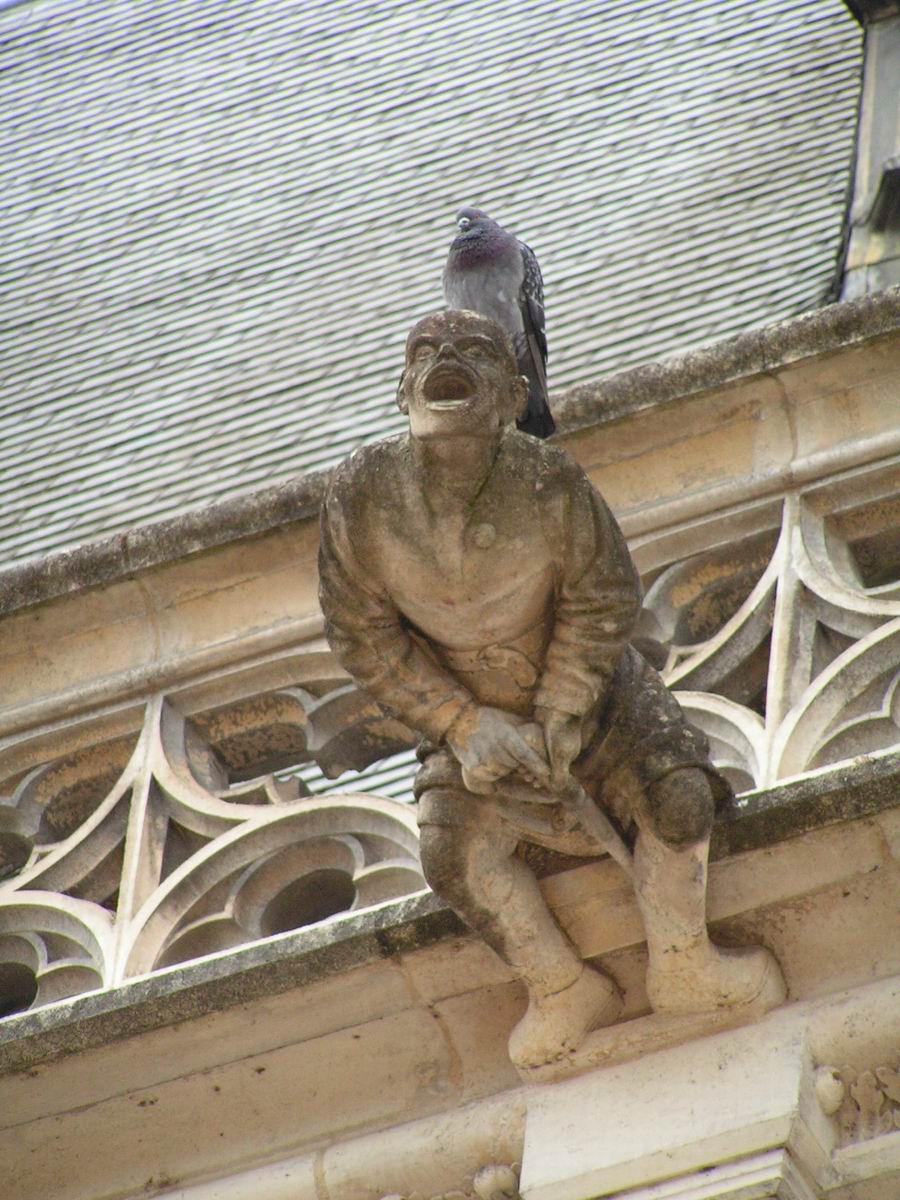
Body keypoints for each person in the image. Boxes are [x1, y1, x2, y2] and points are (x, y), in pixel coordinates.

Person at [318, 309, 784, 1069]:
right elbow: (361, 633)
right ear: (403, 390)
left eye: (474, 352)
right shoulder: (362, 495)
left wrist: (561, 714)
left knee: (678, 801)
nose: (445, 359)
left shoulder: (548, 482)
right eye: (425, 351)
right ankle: (562, 987)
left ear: (513, 395)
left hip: (595, 700)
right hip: (465, 717)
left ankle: (684, 962)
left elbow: (603, 597)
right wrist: (463, 725)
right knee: (450, 856)